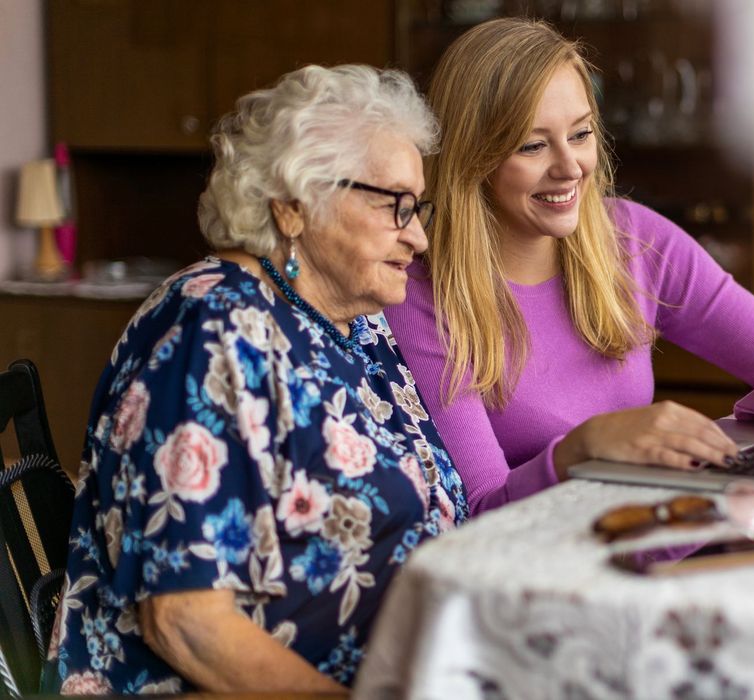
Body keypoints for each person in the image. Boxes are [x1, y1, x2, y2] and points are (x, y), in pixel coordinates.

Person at [49, 64, 466, 695]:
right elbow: (186, 619)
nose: (419, 237)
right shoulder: (212, 329)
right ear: (294, 207)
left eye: (419, 207)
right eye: (395, 206)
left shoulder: (356, 322)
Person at [385, 18, 754, 517]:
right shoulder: (420, 292)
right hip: (545, 571)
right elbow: (480, 510)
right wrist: (584, 445)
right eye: (533, 146)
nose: (570, 166)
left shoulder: (632, 237)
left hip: (664, 533)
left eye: (580, 134)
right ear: (474, 159)